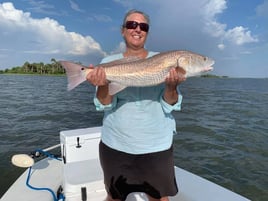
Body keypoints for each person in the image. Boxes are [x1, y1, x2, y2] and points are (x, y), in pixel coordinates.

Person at [86, 9, 186, 201]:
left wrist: (172, 86)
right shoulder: (108, 63)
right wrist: (102, 86)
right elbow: (105, 103)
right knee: (114, 196)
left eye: (143, 26)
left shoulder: (166, 60)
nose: (137, 29)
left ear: (147, 32)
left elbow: (170, 103)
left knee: (158, 197)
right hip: (116, 143)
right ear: (123, 30)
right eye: (132, 24)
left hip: (156, 144)